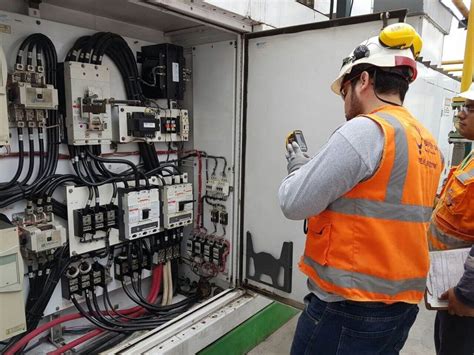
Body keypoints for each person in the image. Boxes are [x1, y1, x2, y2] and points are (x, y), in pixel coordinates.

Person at [278, 23, 443, 354]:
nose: (344, 101)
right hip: (399, 308)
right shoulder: (426, 141)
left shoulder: (365, 131)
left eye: (345, 90)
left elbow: (294, 203)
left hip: (347, 310)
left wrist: (299, 168)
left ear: (364, 80)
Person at [427, 83, 474, 355]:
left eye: (471, 108)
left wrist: (465, 294)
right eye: (462, 107)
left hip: (464, 298)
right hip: (449, 287)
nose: (462, 114)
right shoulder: (470, 157)